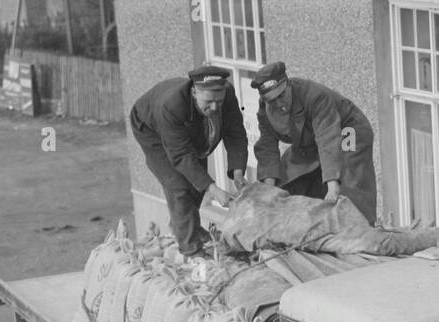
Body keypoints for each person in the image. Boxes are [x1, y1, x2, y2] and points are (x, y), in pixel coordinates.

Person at [129, 66, 249, 256]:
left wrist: (238, 171)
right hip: (152, 130)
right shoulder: (171, 105)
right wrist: (214, 189)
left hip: (188, 130)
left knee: (196, 181)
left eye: (219, 101)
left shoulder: (227, 95)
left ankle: (184, 227)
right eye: (208, 102)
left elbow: (235, 133)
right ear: (194, 92)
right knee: (179, 186)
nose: (215, 107)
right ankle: (191, 250)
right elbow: (181, 156)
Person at [251, 62, 377, 224]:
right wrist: (269, 188)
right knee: (288, 180)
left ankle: (360, 229)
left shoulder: (314, 96)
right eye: (272, 100)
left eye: (281, 96)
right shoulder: (265, 111)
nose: (279, 103)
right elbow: (267, 147)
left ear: (288, 84)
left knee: (349, 178)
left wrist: (332, 184)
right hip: (311, 138)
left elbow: (327, 138)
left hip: (348, 127)